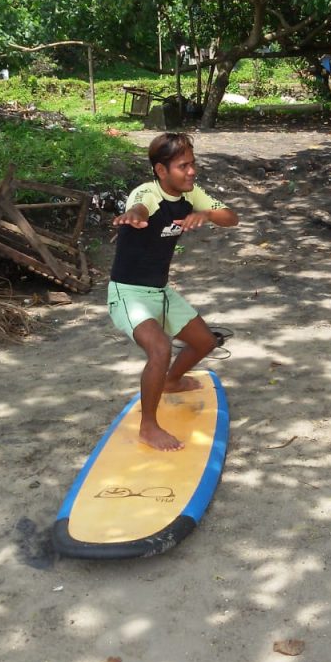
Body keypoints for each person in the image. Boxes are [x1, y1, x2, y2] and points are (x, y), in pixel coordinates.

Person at [108, 132, 239, 452]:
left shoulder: (191, 194)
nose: (192, 171)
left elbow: (231, 218)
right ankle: (148, 427)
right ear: (161, 171)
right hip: (128, 294)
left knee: (205, 342)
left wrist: (206, 213)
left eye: (193, 164)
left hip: (161, 292)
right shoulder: (147, 193)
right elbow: (139, 208)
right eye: (183, 166)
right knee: (160, 349)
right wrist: (134, 217)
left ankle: (170, 381)